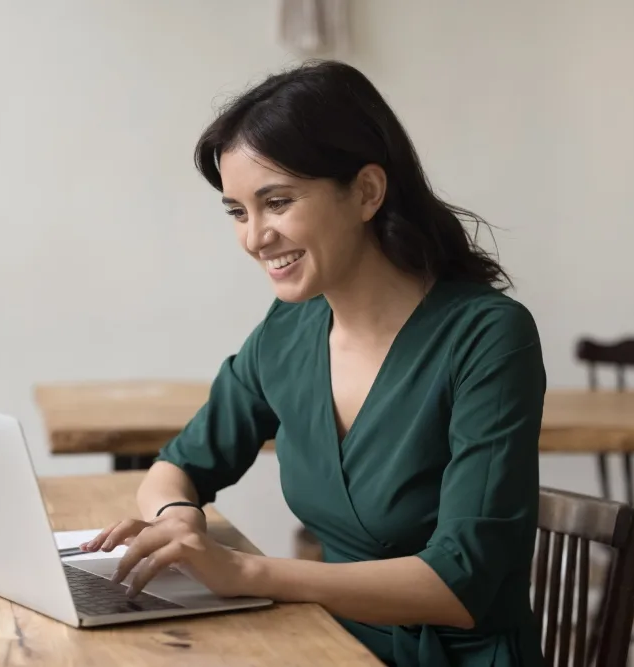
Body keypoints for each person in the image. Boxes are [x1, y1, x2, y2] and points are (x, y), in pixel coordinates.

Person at [81, 59, 547, 667]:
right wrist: (176, 522)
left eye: (276, 202)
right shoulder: (290, 330)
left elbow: (459, 583)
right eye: (237, 212)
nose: (254, 238)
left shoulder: (487, 337)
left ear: (367, 192)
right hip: (327, 644)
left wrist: (246, 572)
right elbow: (177, 467)